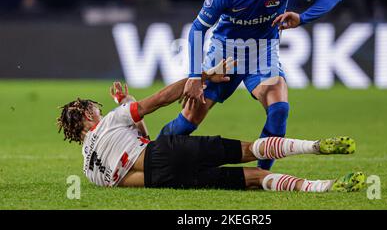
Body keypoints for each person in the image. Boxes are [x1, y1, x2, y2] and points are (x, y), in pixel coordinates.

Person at [159, 0, 343, 171]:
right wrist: (195, 76)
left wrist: (303, 17)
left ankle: (261, 174)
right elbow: (197, 29)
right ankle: (153, 155)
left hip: (262, 53)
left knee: (279, 109)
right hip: (225, 57)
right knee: (189, 121)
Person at [57, 60, 365, 192]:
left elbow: (137, 145)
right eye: (93, 107)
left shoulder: (89, 171)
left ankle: (322, 188)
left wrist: (125, 103)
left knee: (254, 179)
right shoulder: (111, 120)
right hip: (162, 153)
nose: (98, 108)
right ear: (87, 117)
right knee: (248, 150)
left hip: (162, 180)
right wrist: (202, 77)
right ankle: (313, 147)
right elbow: (160, 100)